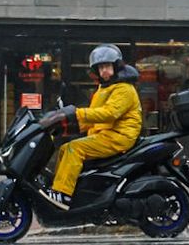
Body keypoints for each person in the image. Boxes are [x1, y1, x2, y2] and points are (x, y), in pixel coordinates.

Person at [36, 45, 141, 209]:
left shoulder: (124, 88)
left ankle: (62, 195)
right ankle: (59, 188)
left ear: (116, 66)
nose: (104, 71)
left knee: (74, 149)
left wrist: (75, 113)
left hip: (119, 136)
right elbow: (93, 117)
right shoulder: (105, 87)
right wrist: (65, 128)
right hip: (106, 134)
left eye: (107, 66)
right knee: (64, 148)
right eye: (100, 68)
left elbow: (109, 113)